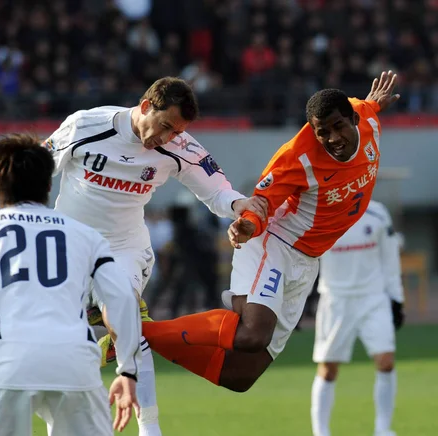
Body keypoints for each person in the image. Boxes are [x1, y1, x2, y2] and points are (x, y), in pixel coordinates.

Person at [140, 71, 401, 393]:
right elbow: (262, 200)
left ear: (354, 119)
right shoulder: (297, 157)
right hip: (274, 244)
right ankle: (136, 333)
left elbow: (367, 106)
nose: (333, 138)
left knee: (238, 377)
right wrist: (248, 224)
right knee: (252, 334)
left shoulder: (369, 118)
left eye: (338, 127)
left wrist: (375, 103)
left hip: (308, 261)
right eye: (322, 133)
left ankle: (141, 337)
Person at [42, 76, 267, 435]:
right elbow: (39, 168)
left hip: (123, 249)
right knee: (52, 350)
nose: (167, 138)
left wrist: (239, 203)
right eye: (164, 126)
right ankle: (98, 356)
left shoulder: (181, 146)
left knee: (127, 318)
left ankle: (150, 427)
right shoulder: (86, 124)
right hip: (68, 247)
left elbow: (216, 191)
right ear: (146, 106)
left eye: (176, 132)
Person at [0, 134, 142, 435]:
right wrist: (128, 368)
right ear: (49, 184)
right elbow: (123, 298)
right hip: (75, 364)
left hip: (4, 364)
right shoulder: (86, 234)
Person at [311, 200, 405, 436]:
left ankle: (383, 429)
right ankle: (321, 432)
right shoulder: (319, 213)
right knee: (328, 368)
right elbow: (305, 257)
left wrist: (397, 298)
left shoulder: (377, 212)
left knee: (386, 361)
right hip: (335, 298)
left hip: (374, 297)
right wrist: (300, 297)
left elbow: (390, 257)